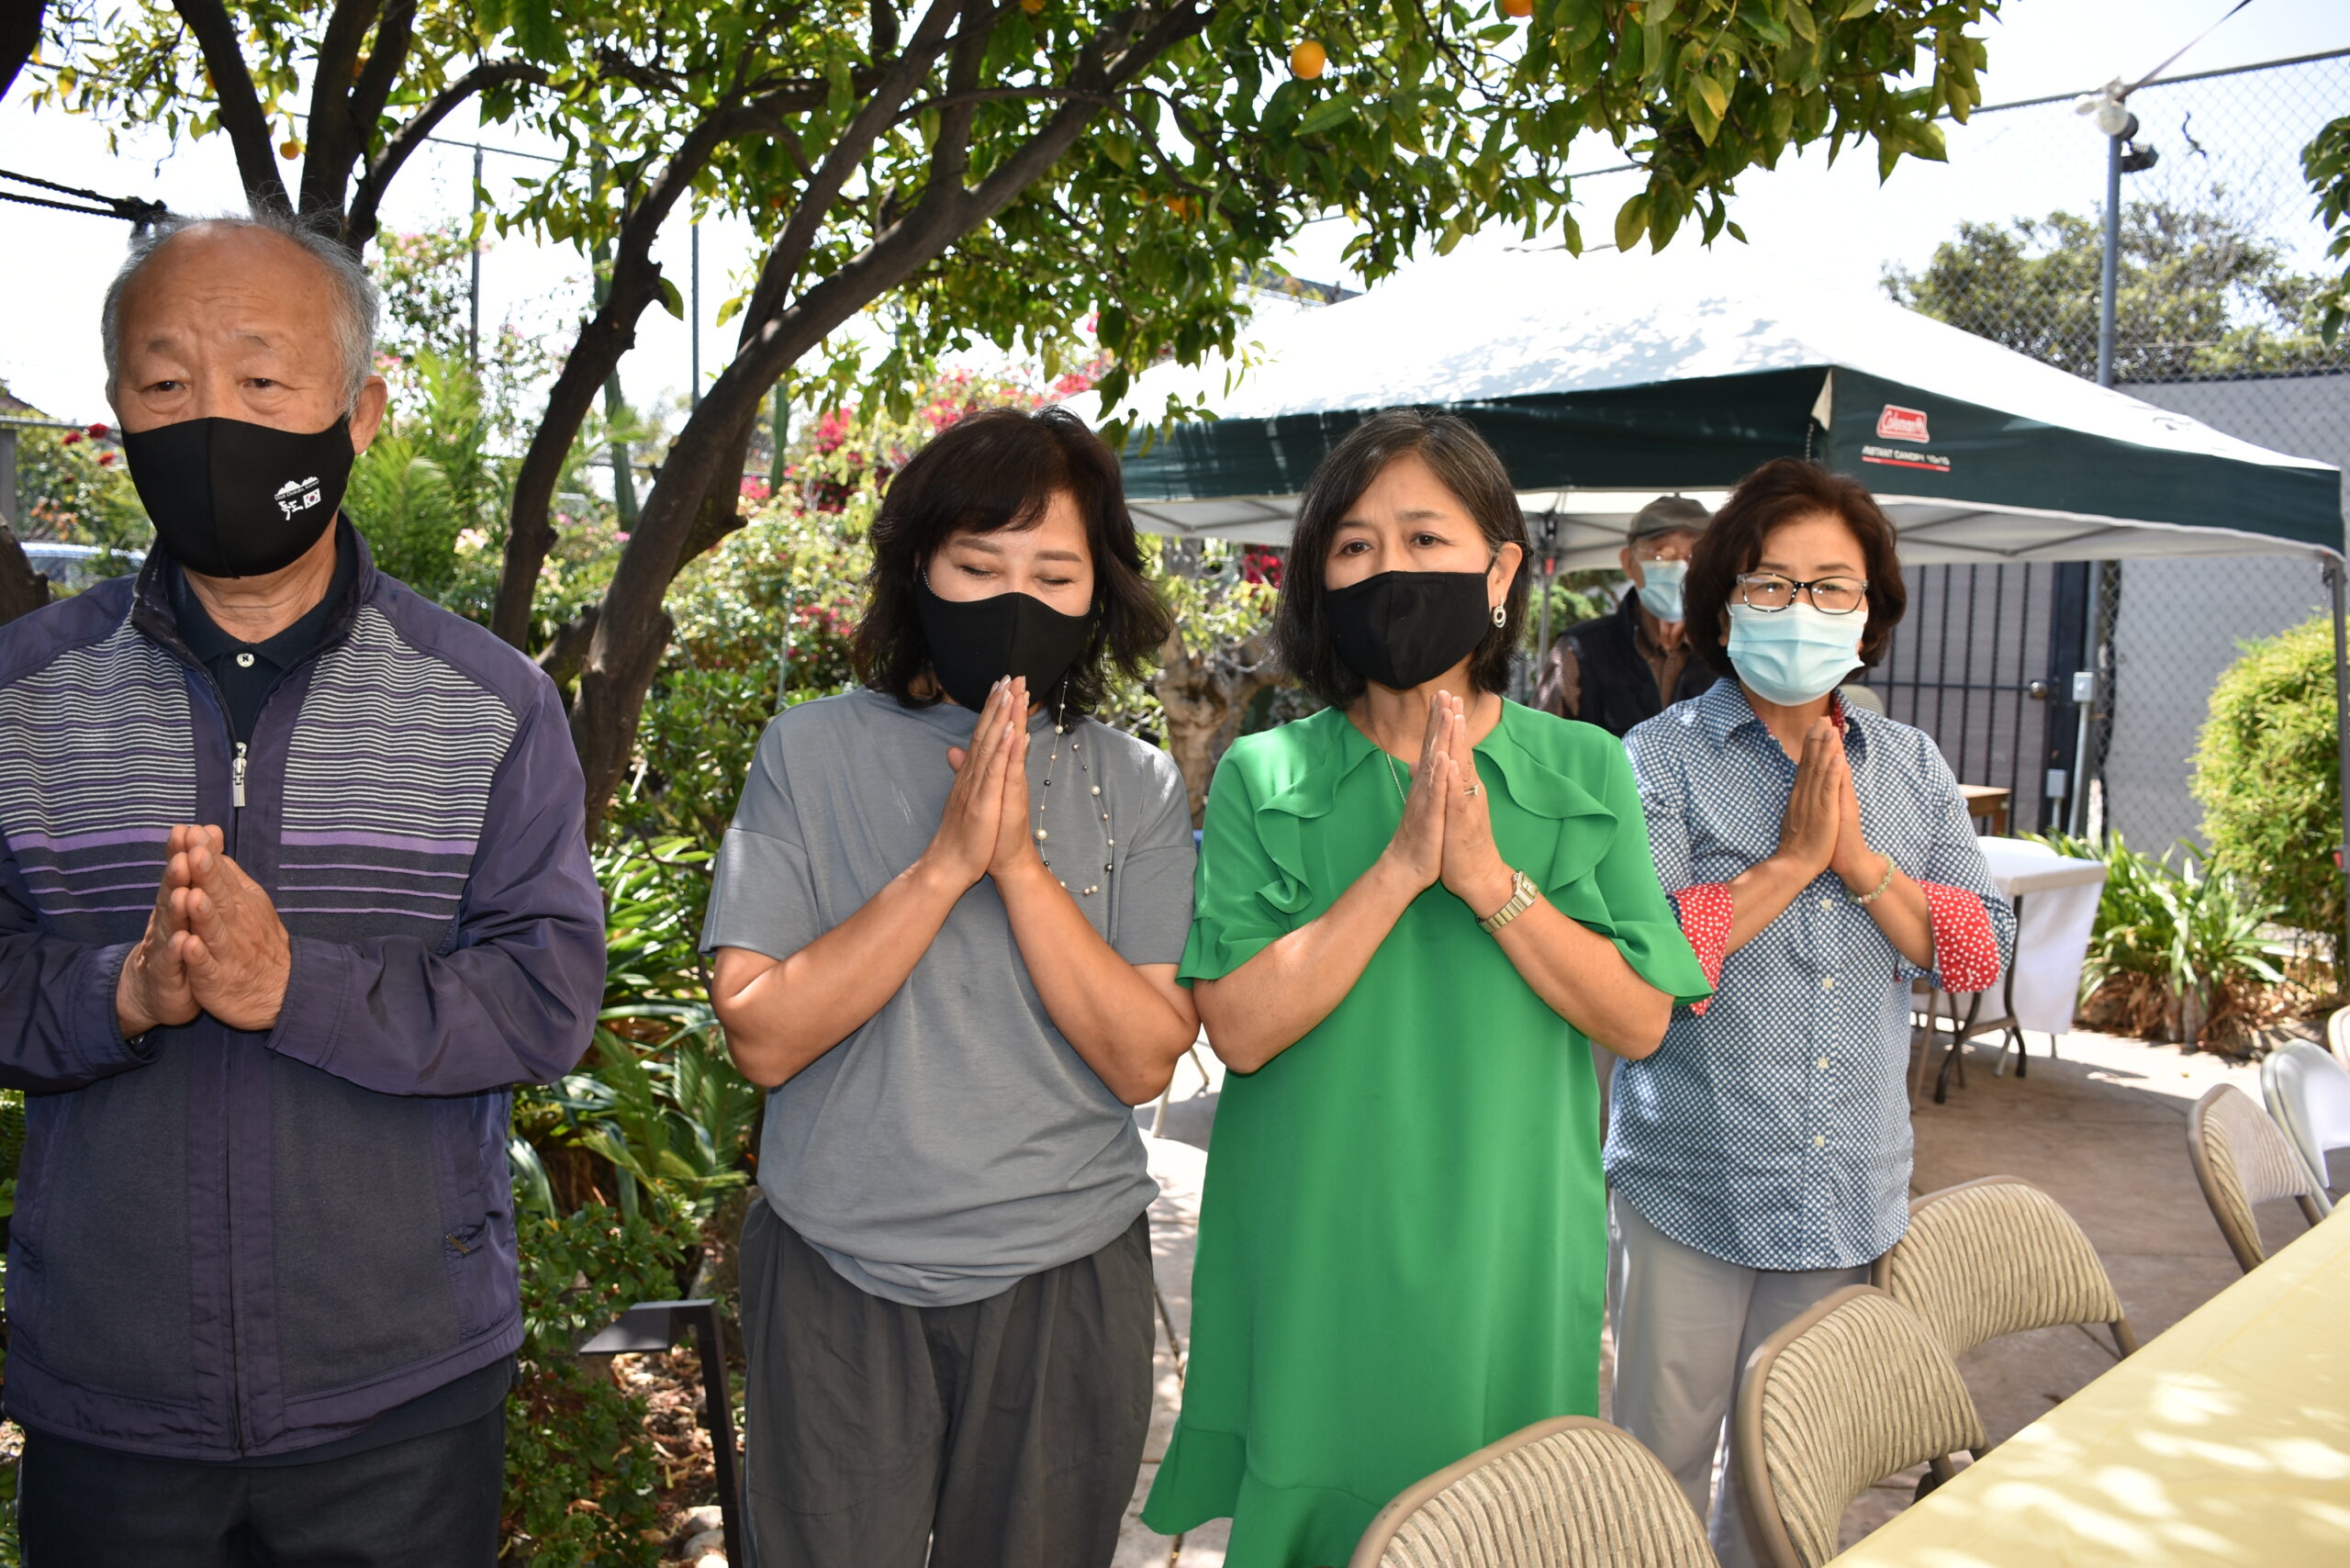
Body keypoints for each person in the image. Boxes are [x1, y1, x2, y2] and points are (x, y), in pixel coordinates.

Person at [0, 213, 605, 1561]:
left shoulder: (486, 703)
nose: (213, 420)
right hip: (111, 1396)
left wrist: (299, 989)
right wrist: (123, 989)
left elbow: (547, 995)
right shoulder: (23, 701)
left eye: (264, 383)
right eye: (166, 385)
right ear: (116, 418)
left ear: (361, 411)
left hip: (398, 1398)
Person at [1142, 409, 1712, 1567]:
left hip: (1505, 1237)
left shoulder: (1585, 767)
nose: (1389, 572)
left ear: (1500, 570)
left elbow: (1639, 1016)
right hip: (1315, 1239)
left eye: (1424, 538)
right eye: (1354, 547)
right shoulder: (1269, 771)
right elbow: (1241, 1030)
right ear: (1319, 579)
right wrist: (1403, 869)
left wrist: (1492, 882)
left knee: (1490, 1522)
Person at [702, 407, 1200, 1568]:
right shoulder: (806, 751)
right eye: (978, 565)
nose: (1014, 598)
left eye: (1054, 572)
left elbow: (1142, 1055)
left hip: (1063, 1273)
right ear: (918, 565)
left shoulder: (1135, 784)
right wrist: (942, 865)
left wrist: (1018, 867)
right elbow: (763, 1036)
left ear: (1099, 594)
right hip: (836, 1272)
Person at [1609, 457, 2013, 1568]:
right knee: (1655, 1463)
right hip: (1691, 1180)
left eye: (1832, 586)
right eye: (1770, 582)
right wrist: (1790, 866)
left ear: (1870, 618)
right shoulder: (1658, 760)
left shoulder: (1912, 768)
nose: (1801, 608)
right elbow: (1642, 961)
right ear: (1723, 601)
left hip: (1845, 1190)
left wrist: (1863, 864)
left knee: (1794, 1476)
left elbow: (1976, 950)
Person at [1534, 494, 1713, 735]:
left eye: (1694, 557)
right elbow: (1540, 746)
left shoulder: (1726, 651)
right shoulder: (1578, 650)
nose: (1681, 568)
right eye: (1661, 555)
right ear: (1629, 563)